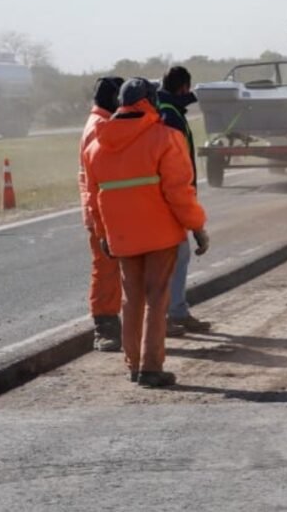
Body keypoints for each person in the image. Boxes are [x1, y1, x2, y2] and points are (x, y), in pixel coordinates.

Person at [83, 78, 210, 388]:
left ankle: (134, 366)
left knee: (132, 299)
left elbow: (93, 197)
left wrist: (102, 233)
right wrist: (197, 227)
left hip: (122, 237)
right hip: (161, 235)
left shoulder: (96, 146)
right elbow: (179, 191)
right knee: (156, 299)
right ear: (150, 101)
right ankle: (152, 367)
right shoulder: (166, 137)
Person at [157, 65, 212, 336]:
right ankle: (170, 315)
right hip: (169, 198)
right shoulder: (171, 116)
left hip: (164, 196)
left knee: (178, 256)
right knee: (175, 257)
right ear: (184, 88)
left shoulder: (166, 110)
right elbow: (177, 168)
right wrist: (195, 222)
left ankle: (174, 312)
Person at [79, 75, 125, 352]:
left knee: (109, 269)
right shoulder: (100, 127)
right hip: (101, 212)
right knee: (106, 270)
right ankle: (105, 327)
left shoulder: (98, 122)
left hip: (103, 209)